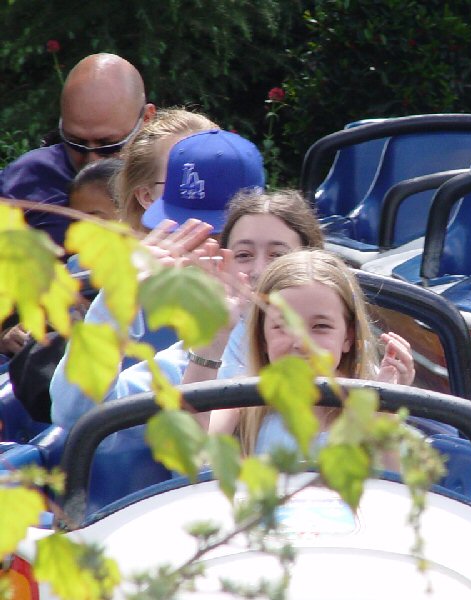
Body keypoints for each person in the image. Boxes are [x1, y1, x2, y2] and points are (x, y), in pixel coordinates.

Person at [50, 129, 265, 429]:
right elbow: (75, 414)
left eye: (217, 237)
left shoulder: (324, 317)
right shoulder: (186, 354)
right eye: (179, 233)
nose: (195, 255)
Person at [220, 249, 415, 456]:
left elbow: (392, 480)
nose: (301, 343)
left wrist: (385, 407)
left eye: (321, 326)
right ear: (263, 338)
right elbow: (194, 458)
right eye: (282, 326)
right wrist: (211, 345)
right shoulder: (240, 403)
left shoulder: (366, 410)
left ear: (348, 337)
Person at [0, 53, 156, 247]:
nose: (91, 161)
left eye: (108, 145)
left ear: (147, 120)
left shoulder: (173, 175)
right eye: (75, 143)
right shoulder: (23, 182)